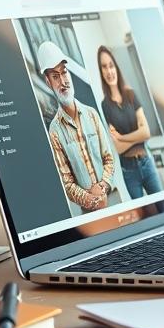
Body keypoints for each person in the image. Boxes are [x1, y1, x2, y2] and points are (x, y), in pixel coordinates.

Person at [38, 41, 118, 212]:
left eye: (64, 73)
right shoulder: (55, 131)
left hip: (111, 202)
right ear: (48, 82)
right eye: (55, 76)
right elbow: (67, 182)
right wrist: (90, 199)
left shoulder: (92, 115)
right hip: (87, 213)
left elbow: (109, 158)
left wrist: (102, 186)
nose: (63, 81)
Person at [95, 45, 164, 198]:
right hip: (129, 172)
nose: (109, 71)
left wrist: (122, 137)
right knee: (145, 217)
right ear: (101, 72)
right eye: (104, 67)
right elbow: (118, 148)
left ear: (116, 67)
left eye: (111, 65)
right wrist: (136, 135)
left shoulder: (131, 95)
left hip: (147, 163)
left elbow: (146, 133)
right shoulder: (105, 105)